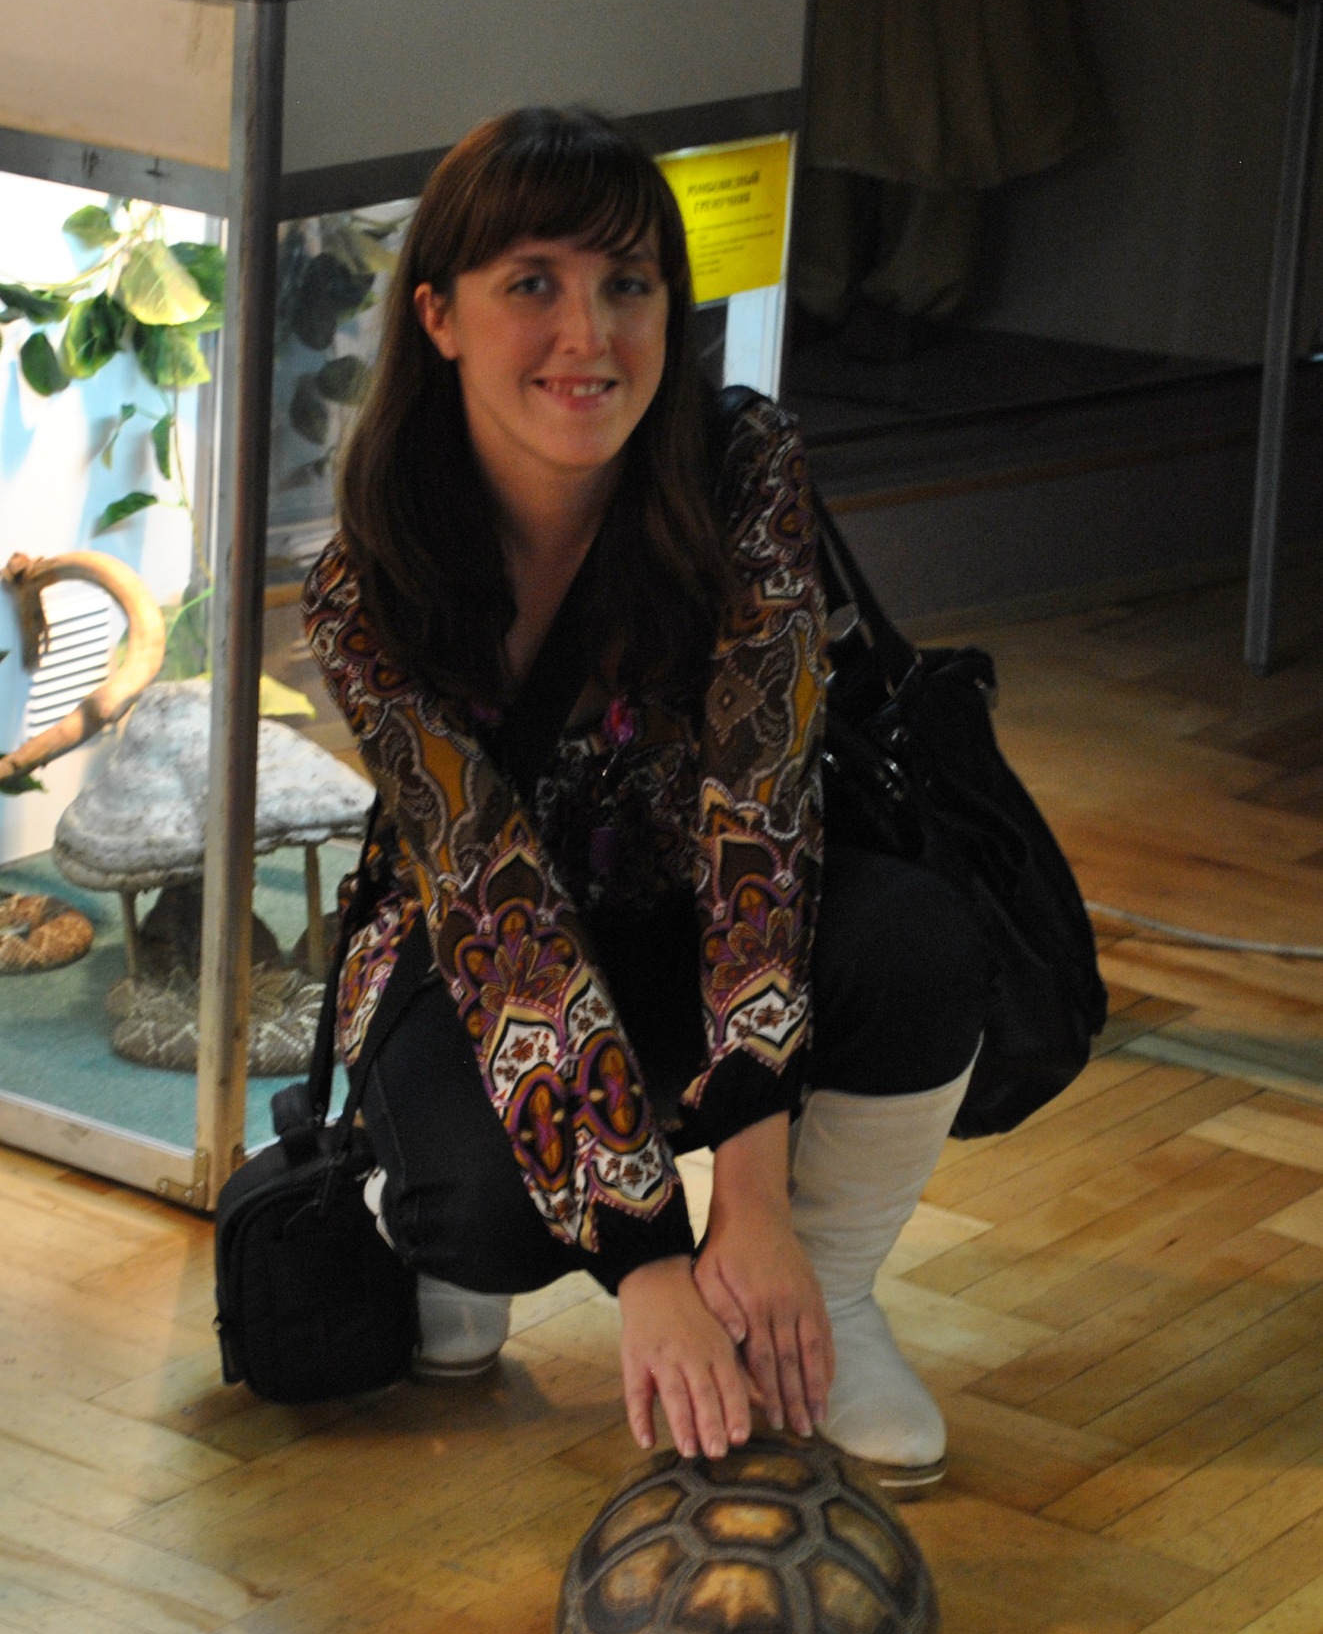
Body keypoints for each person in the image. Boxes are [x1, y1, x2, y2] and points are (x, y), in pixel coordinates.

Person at [304, 108, 988, 1493]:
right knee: (481, 1207)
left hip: (695, 916)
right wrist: (650, 1264)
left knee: (919, 942)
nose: (590, 334)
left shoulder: (741, 471)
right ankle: (434, 1231)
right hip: (473, 958)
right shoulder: (365, 579)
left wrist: (754, 1210)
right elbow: (495, 908)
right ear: (438, 316)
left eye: (628, 283)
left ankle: (823, 1301)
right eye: (532, 284)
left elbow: (762, 823)